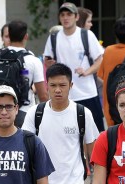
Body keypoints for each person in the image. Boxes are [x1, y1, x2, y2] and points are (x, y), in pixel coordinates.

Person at [22, 63, 100, 184]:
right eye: (53, 85)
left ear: (71, 86)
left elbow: (93, 151)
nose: (57, 90)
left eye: (62, 85)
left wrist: (97, 182)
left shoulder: (82, 113)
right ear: (46, 85)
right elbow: (23, 148)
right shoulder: (35, 113)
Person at [43, 2, 106, 133]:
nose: (65, 18)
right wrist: (49, 64)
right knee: (67, 133)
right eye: (62, 15)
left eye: (69, 14)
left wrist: (87, 71)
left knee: (95, 133)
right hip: (65, 95)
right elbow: (47, 60)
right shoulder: (54, 37)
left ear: (76, 17)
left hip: (88, 92)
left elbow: (99, 60)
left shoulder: (86, 35)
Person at [0, 20, 47, 131]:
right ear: (26, 36)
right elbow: (43, 96)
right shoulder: (33, 60)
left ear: (9, 35)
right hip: (24, 114)